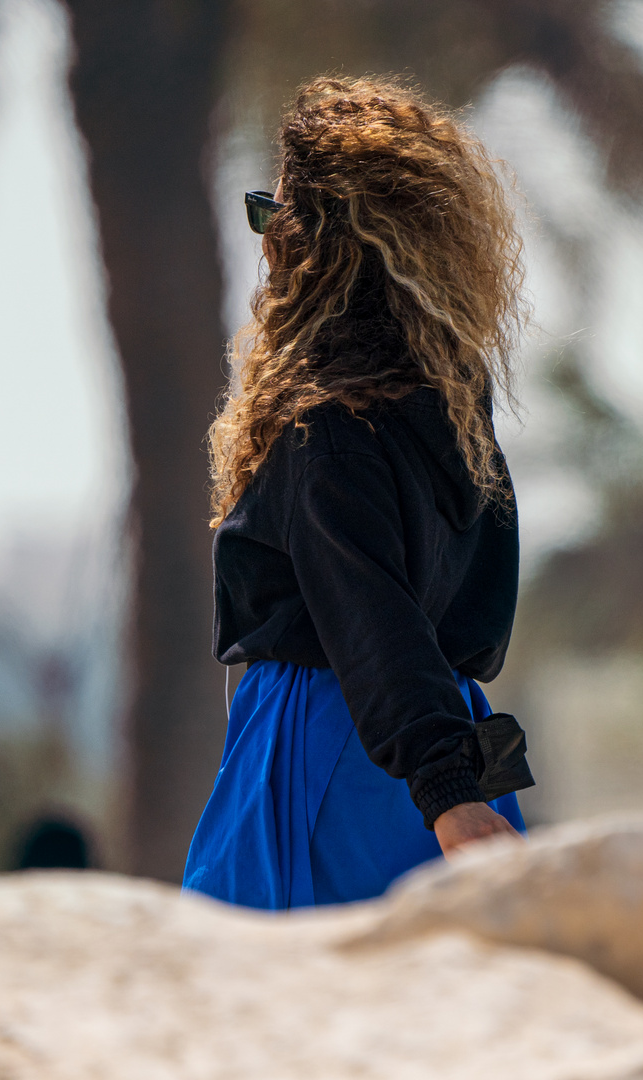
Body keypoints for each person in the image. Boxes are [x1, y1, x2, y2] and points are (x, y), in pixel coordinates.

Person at [182, 76, 535, 910]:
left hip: (345, 747)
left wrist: (446, 790)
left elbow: (370, 615)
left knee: (273, 1005)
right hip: (439, 731)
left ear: (317, 245)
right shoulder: (451, 411)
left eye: (275, 219)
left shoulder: (328, 422)